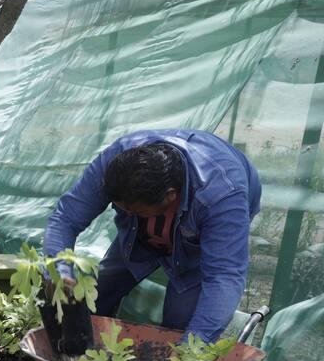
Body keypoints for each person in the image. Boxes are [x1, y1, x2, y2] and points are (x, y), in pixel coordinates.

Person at [44, 130, 262, 342]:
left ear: (170, 196)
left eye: (136, 211)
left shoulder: (222, 197)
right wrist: (59, 272)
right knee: (101, 289)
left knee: (181, 319)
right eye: (124, 210)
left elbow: (224, 276)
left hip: (203, 225)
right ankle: (83, 342)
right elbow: (65, 218)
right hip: (142, 226)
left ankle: (169, 352)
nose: (128, 213)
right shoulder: (117, 163)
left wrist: (193, 347)